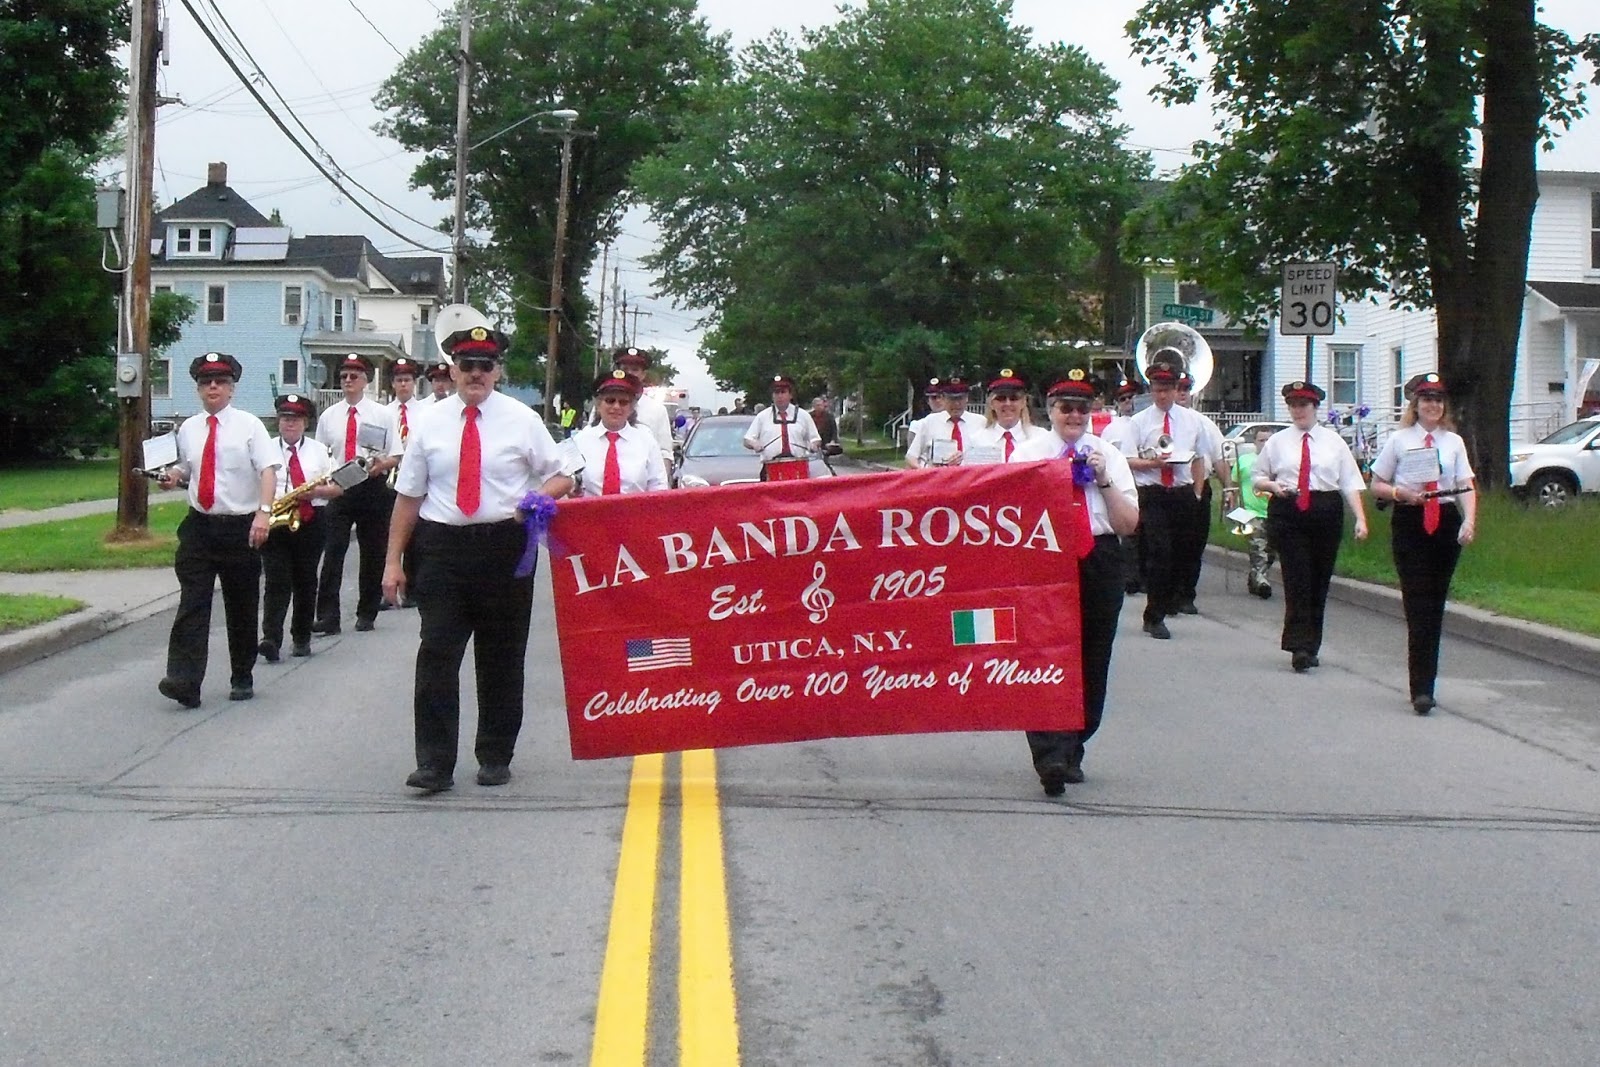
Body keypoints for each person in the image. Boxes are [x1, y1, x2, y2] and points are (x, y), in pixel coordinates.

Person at [383, 323, 575, 793]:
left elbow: (563, 475)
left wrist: (537, 498)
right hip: (442, 548)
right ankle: (434, 763)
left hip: (503, 547)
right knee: (437, 652)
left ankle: (494, 753)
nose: (476, 374)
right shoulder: (430, 422)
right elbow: (408, 495)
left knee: (501, 656)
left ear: (497, 372)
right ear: (452, 370)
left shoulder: (521, 420)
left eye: (485, 366)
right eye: (467, 365)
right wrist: (392, 561)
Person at [1012, 369, 1139, 793]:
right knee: (1044, 653)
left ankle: (1073, 745)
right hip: (1045, 555)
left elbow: (1128, 524)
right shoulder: (1028, 454)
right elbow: (1011, 516)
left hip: (1098, 555)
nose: (1075, 416)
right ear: (1051, 410)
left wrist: (1103, 480)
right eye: (1066, 408)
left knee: (1092, 654)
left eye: (1083, 409)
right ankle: (1050, 753)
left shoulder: (1109, 455)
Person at [156, 352, 279, 708]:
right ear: (198, 389)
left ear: (231, 389)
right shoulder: (189, 428)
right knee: (193, 603)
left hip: (240, 526)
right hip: (200, 526)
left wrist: (263, 514)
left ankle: (242, 675)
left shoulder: (249, 426)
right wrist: (172, 476)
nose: (213, 387)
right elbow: (186, 467)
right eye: (206, 382)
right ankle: (184, 680)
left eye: (220, 382)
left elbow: (268, 470)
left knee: (241, 606)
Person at [1369, 372, 1478, 714]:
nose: (1433, 405)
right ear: (1416, 405)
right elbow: (1376, 484)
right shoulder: (1399, 440)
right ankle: (1420, 688)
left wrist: (1469, 520)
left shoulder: (1453, 442)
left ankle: (1428, 682)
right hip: (1410, 520)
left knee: (1435, 603)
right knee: (1417, 602)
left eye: (1438, 400)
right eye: (1427, 400)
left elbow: (1466, 485)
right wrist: (1400, 493)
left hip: (1444, 520)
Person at [1252, 381, 1370, 673]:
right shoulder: (1278, 442)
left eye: (1303, 405)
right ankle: (1298, 645)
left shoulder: (1333, 443)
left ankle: (1311, 643)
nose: (1298, 411)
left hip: (1324, 509)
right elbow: (1258, 476)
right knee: (1297, 577)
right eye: (1293, 405)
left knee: (1318, 578)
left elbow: (1349, 482)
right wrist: (1272, 486)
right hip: (1288, 509)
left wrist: (1360, 518)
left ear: (1315, 407)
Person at [1118, 356, 1212, 640]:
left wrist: (1197, 492)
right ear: (1151, 389)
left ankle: (1171, 598)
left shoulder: (1192, 421)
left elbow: (1199, 458)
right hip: (1153, 492)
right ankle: (1154, 616)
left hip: (1182, 492)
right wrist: (1153, 464)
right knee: (1160, 552)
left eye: (1168, 389)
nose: (1163, 395)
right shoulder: (1139, 422)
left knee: (1182, 551)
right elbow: (1127, 459)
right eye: (1158, 389)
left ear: (1176, 389)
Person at [313, 354, 401, 634]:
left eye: (354, 376)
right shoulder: (329, 416)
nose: (348, 381)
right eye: (343, 376)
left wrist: (380, 465)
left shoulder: (381, 414)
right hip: (340, 486)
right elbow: (320, 454)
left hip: (371, 486)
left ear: (365, 380)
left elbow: (397, 454)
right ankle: (328, 616)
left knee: (372, 552)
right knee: (333, 552)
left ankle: (367, 612)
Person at [258, 393, 340, 662]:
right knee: (276, 580)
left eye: (296, 419)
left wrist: (317, 492)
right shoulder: (265, 449)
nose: (290, 423)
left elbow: (338, 487)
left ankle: (302, 637)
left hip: (310, 519)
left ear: (305, 423)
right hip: (276, 520)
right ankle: (271, 638)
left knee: (306, 580)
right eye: (285, 418)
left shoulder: (320, 451)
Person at [1174, 372, 1233, 615]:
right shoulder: (1156, 420)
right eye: (1178, 388)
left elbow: (1219, 458)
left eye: (1186, 389)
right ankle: (1166, 591)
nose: (1182, 394)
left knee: (1194, 543)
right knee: (1168, 544)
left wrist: (1229, 488)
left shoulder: (1203, 423)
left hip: (1198, 486)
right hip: (1170, 487)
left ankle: (1186, 594)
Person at [572, 370, 669, 495]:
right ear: (598, 405)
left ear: (631, 408)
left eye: (623, 402)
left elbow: (658, 486)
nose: (616, 406)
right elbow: (569, 483)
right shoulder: (580, 441)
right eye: (610, 400)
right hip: (591, 507)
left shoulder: (647, 442)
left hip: (635, 507)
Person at [387, 356, 429, 609]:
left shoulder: (425, 413)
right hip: (389, 478)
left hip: (415, 478)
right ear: (392, 384)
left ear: (414, 383)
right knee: (388, 534)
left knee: (414, 536)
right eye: (399, 380)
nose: (403, 384)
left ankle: (411, 589)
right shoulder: (383, 413)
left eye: (407, 380)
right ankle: (387, 588)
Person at [1230, 426, 1277, 599]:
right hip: (1251, 512)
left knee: (1270, 551)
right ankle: (1263, 582)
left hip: (1273, 512)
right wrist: (1232, 505)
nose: (1265, 444)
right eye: (1261, 440)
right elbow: (1234, 486)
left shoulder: (1279, 460)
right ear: (1255, 442)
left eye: (1268, 440)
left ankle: (1255, 577)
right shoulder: (1244, 461)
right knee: (1258, 547)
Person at [612, 347, 675, 476]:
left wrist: (662, 484)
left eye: (635, 370)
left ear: (643, 374)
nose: (629, 373)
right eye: (625, 369)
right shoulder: (605, 407)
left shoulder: (657, 410)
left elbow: (664, 453)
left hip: (644, 482)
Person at [743, 374, 821, 472]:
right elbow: (747, 439)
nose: (780, 396)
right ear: (772, 396)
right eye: (776, 393)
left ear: (790, 395)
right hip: (771, 467)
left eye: (783, 392)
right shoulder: (762, 417)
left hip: (798, 466)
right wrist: (755, 444)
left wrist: (814, 445)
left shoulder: (803, 415)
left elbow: (815, 439)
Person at [906, 376, 985, 468]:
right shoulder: (930, 422)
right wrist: (926, 472)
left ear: (967, 398)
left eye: (960, 398)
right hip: (939, 475)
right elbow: (911, 457)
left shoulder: (981, 422)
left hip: (971, 475)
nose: (956, 404)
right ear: (943, 398)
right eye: (952, 399)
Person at [974, 368, 1049, 460]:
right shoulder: (977, 440)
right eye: (1001, 398)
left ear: (1023, 402)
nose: (1008, 403)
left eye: (1014, 398)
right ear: (992, 404)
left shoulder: (1041, 438)